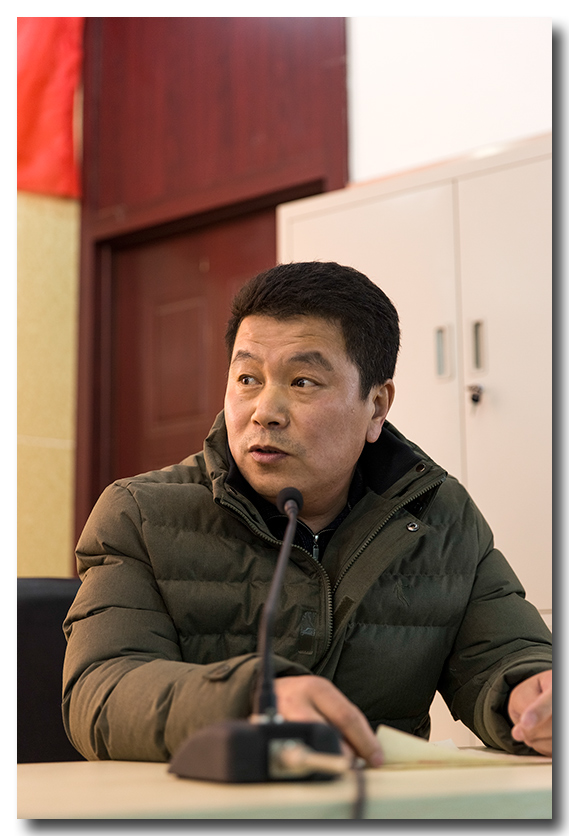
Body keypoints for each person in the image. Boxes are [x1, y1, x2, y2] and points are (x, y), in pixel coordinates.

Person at [62, 261, 552, 765]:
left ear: (376, 406)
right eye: (247, 378)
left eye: (302, 382)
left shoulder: (438, 516)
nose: (264, 411)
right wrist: (249, 700)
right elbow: (100, 691)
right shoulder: (140, 515)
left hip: (375, 802)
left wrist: (531, 695)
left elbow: (505, 656)